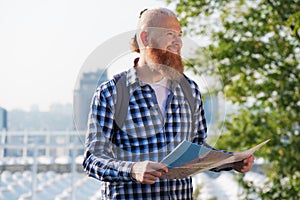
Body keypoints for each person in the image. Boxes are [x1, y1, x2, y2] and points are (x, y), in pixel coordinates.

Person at [83, 7, 254, 199]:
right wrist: (132, 169)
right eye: (170, 34)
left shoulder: (190, 90)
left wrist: (230, 161)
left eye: (179, 35)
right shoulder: (111, 93)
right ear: (145, 38)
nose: (178, 42)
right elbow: (93, 160)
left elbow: (196, 150)